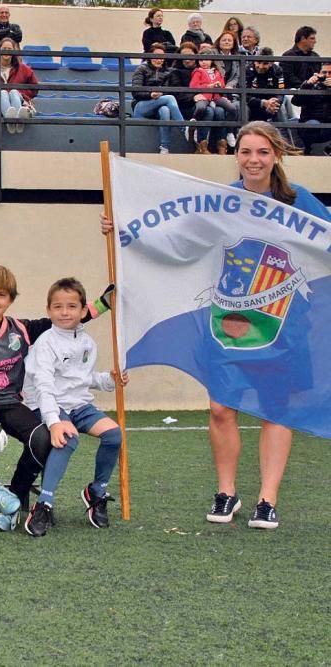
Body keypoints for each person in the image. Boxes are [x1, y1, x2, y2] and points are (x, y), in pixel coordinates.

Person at [99, 121, 330, 529]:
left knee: (276, 410)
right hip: (229, 321)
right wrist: (124, 232)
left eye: (261, 152)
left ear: (275, 155)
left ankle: (267, 499)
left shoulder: (299, 201)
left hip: (282, 323)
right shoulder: (223, 201)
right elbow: (179, 242)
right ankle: (226, 493)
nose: (253, 160)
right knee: (221, 406)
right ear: (235, 155)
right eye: (246, 152)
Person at [21, 278, 127, 537]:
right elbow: (44, 386)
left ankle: (96, 491)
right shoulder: (46, 343)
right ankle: (44, 503)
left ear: (83, 311)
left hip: (78, 404)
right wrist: (54, 421)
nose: (65, 312)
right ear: (48, 311)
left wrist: (108, 380)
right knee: (67, 438)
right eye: (57, 307)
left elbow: (84, 379)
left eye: (71, 306)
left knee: (114, 435)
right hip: (48, 404)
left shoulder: (88, 343)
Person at [131, 42, 182, 154]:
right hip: (141, 105)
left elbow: (167, 89)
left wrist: (160, 93)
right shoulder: (142, 69)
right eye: (156, 56)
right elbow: (135, 92)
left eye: (162, 57)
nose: (159, 60)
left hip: (158, 104)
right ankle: (184, 128)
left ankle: (164, 147)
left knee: (165, 110)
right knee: (169, 98)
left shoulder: (167, 72)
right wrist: (150, 94)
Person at [0, 37, 39, 134]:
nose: (6, 52)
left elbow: (34, 88)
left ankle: (14, 121)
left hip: (19, 100)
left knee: (13, 92)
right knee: (3, 92)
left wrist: (20, 92)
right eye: (4, 49)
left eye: (9, 49)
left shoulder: (23, 68)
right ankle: (14, 121)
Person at [190, 48, 238, 155]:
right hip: (204, 96)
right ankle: (193, 126)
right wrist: (208, 86)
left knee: (232, 108)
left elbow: (222, 84)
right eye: (201, 60)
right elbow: (193, 86)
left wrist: (219, 86)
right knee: (201, 108)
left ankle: (230, 132)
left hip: (216, 96)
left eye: (206, 59)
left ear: (212, 60)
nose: (204, 62)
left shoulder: (217, 71)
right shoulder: (198, 71)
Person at [293, 61, 331, 155]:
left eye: (330, 73)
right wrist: (307, 85)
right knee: (311, 124)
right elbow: (296, 101)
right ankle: (306, 151)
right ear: (318, 73)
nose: (327, 76)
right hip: (311, 124)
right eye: (324, 73)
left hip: (328, 126)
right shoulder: (311, 86)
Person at [244, 48, 285, 123]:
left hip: (270, 105)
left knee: (279, 107)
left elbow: (280, 92)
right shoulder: (247, 70)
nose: (260, 66)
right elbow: (244, 95)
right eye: (258, 62)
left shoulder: (277, 70)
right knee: (244, 108)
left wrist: (273, 103)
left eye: (265, 63)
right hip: (253, 104)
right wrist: (263, 103)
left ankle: (284, 133)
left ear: (271, 63)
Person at [281, 26, 319, 91]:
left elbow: (318, 73)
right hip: (294, 92)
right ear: (303, 38)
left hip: (313, 92)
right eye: (312, 38)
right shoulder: (288, 56)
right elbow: (288, 77)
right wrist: (306, 85)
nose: (315, 41)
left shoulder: (315, 56)